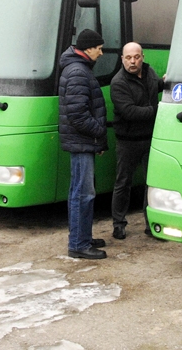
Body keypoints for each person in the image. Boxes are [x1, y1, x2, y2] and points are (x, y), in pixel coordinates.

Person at [58, 28, 109, 259]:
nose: (101, 52)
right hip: (82, 141)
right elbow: (78, 115)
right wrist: (99, 134)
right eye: (99, 48)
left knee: (80, 191)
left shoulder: (79, 68)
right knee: (83, 193)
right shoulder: (78, 71)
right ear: (88, 48)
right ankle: (78, 244)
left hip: (82, 142)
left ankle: (82, 236)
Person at [110, 42, 162, 240]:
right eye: (128, 58)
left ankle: (152, 224)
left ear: (143, 57)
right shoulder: (118, 82)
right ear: (122, 59)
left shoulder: (150, 73)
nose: (133, 61)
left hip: (150, 139)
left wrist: (164, 82)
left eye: (136, 57)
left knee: (152, 183)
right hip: (127, 141)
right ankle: (119, 224)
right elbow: (129, 112)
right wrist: (159, 112)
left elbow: (157, 87)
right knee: (123, 183)